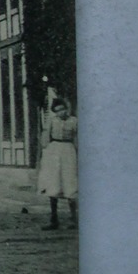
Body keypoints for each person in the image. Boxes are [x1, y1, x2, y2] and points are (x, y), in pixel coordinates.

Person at [36, 98, 79, 231]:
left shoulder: (74, 121)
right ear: (55, 112)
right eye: (58, 110)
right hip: (54, 151)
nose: (62, 112)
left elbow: (78, 137)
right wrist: (46, 153)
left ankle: (74, 219)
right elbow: (45, 139)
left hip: (69, 151)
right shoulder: (51, 122)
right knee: (54, 183)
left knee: (70, 182)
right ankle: (54, 219)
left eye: (63, 109)